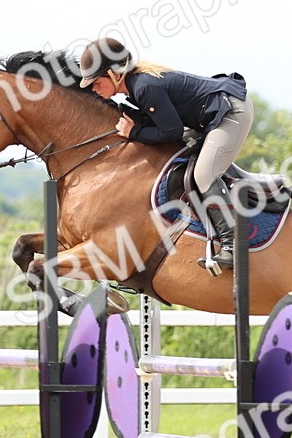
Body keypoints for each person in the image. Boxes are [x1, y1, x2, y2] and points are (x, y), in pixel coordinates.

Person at [78, 37, 254, 268]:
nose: (93, 88)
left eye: (96, 82)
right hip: (213, 114)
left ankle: (233, 246)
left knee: (203, 175)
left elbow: (172, 131)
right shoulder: (136, 87)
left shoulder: (144, 87)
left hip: (230, 113)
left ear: (113, 74)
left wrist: (134, 132)